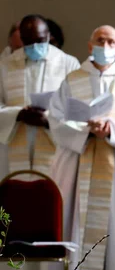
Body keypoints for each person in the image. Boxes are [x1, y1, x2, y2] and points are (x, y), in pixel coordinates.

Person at [49, 25, 115, 270]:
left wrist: (111, 128)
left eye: (110, 42)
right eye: (99, 40)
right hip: (79, 164)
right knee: (77, 226)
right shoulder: (72, 80)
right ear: (89, 45)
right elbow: (56, 119)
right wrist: (86, 129)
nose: (104, 46)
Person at [0, 14, 79, 180]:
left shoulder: (68, 63)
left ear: (49, 36)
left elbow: (78, 110)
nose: (35, 46)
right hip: (14, 143)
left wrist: (48, 119)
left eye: (40, 40)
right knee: (15, 197)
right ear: (21, 39)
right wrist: (18, 114)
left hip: (53, 143)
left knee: (50, 198)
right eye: (29, 41)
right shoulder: (5, 65)